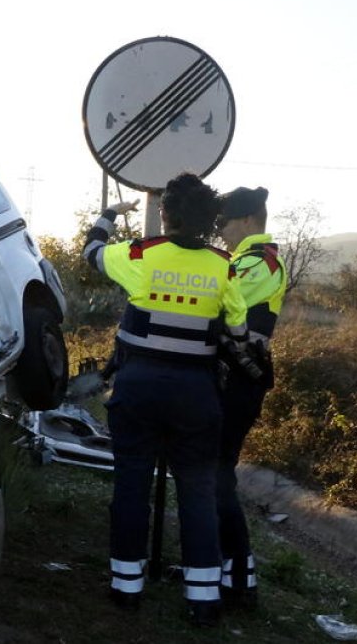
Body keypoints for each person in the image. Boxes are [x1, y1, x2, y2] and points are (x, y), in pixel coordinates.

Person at [81, 173, 254, 626]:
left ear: (167, 214)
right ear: (209, 219)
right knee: (197, 490)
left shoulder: (141, 253)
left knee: (132, 483)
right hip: (196, 393)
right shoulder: (226, 265)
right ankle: (202, 599)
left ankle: (126, 588)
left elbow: (92, 252)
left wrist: (108, 217)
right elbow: (236, 328)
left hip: (138, 386)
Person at [214, 186, 287, 609]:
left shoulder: (260, 262)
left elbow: (216, 300)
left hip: (240, 380)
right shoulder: (243, 259)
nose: (220, 232)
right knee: (210, 472)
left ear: (246, 221)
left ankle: (240, 577)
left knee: (217, 472)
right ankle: (216, 567)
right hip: (230, 378)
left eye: (224, 224)